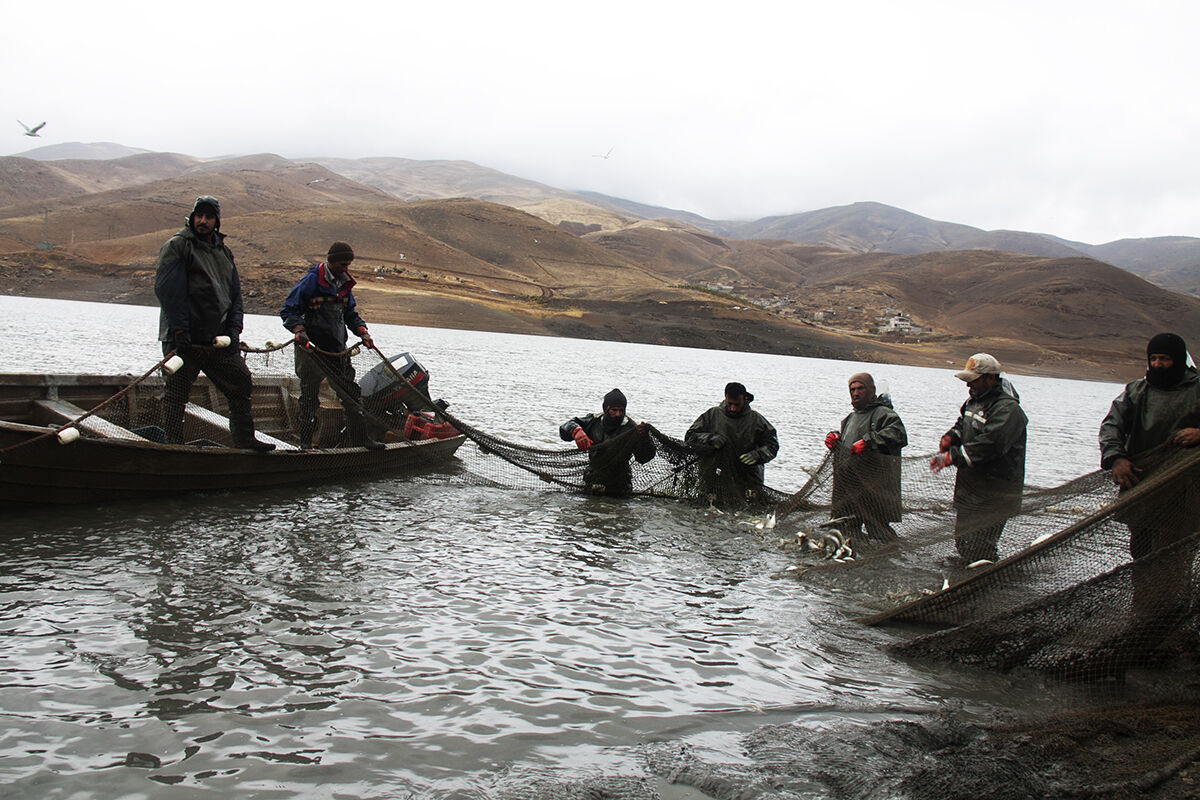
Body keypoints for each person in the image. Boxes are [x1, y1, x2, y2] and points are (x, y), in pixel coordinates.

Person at [154, 195, 275, 451]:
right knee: (176, 394)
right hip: (183, 338)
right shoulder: (178, 246)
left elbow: (235, 297)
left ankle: (244, 441)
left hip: (217, 340)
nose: (203, 221)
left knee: (241, 382)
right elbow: (168, 292)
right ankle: (173, 447)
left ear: (216, 221)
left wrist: (233, 330)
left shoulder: (224, 253)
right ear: (192, 217)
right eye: (199, 215)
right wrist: (179, 330)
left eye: (209, 217)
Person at [1098, 332, 1200, 626]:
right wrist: (1116, 457)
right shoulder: (1137, 391)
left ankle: (1163, 626)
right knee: (1141, 553)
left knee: (1171, 557)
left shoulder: (1196, 390)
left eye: (1164, 359)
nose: (1158, 364)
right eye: (1153, 358)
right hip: (1141, 485)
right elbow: (1111, 425)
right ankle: (1141, 616)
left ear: (1178, 360)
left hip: (1186, 490)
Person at [280, 242, 384, 450]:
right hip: (310, 351)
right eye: (343, 264)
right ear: (331, 261)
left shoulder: (344, 286)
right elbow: (289, 310)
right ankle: (305, 444)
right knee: (309, 398)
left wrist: (362, 331)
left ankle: (360, 441)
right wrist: (299, 330)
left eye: (348, 264)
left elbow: (350, 315)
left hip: (337, 351)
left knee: (351, 396)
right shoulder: (311, 281)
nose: (346, 268)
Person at [929, 354, 1027, 564]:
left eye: (974, 380)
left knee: (981, 544)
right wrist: (951, 437)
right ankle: (969, 572)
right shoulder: (973, 402)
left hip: (995, 493)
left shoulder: (1008, 409)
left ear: (991, 378)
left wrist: (952, 456)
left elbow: (992, 443)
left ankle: (985, 579)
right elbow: (962, 424)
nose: (968, 385)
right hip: (970, 488)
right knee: (963, 540)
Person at [824, 372, 907, 543]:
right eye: (852, 389)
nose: (856, 392)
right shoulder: (849, 418)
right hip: (850, 487)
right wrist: (835, 438)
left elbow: (898, 435)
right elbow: (848, 441)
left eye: (860, 388)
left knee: (879, 530)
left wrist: (868, 442)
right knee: (847, 530)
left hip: (875, 488)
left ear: (871, 391)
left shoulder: (884, 414)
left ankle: (889, 561)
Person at [685, 382, 779, 507]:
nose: (733, 408)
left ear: (744, 399)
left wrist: (757, 455)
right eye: (730, 404)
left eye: (737, 404)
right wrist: (710, 439)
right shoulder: (712, 414)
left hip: (747, 479)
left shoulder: (757, 420)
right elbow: (690, 436)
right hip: (714, 477)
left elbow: (772, 445)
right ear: (725, 398)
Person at [559, 388, 656, 496]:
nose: (618, 414)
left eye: (621, 410)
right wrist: (576, 431)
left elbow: (643, 458)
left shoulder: (632, 429)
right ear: (606, 408)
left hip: (619, 487)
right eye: (614, 410)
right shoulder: (593, 421)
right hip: (592, 482)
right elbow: (564, 429)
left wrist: (644, 439)